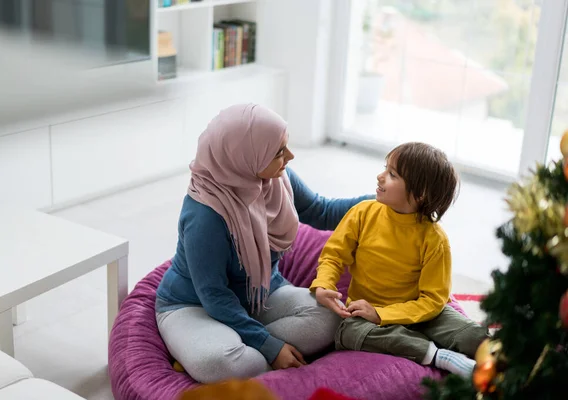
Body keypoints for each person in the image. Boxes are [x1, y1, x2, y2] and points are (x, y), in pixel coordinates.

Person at [155, 103, 373, 383]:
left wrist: (379, 203)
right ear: (245, 156)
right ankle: (221, 348)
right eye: (279, 151)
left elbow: (321, 210)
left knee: (331, 316)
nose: (290, 157)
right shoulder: (204, 214)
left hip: (260, 294)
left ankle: (230, 345)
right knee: (226, 362)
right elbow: (213, 294)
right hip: (194, 305)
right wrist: (271, 346)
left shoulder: (278, 180)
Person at [310, 142, 490, 378]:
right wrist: (324, 285)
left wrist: (383, 314)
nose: (380, 177)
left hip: (421, 314)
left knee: (474, 336)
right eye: (385, 169)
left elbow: (433, 301)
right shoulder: (362, 213)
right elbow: (333, 255)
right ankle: (439, 356)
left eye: (392, 174)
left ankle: (503, 366)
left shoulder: (435, 240)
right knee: (349, 334)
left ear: (420, 192)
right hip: (365, 316)